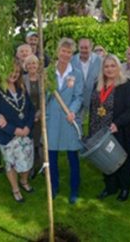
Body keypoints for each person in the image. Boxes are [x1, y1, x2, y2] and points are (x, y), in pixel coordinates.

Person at [90, 55, 130, 202]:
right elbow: (93, 108)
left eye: (113, 66)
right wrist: (92, 130)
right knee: (105, 160)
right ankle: (110, 187)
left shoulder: (127, 85)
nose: (109, 69)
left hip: (119, 129)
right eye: (106, 66)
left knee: (122, 160)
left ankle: (124, 188)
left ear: (118, 67)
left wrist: (117, 123)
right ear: (102, 69)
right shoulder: (97, 85)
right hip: (101, 130)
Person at [0, 60, 35, 203]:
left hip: (25, 132)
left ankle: (24, 181)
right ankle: (15, 188)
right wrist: (14, 130)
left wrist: (27, 127)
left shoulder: (21, 88)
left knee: (27, 161)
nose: (14, 74)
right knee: (11, 163)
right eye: (11, 71)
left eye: (17, 72)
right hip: (7, 136)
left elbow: (31, 110)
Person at [46, 38, 83, 204]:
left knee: (72, 156)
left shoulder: (76, 73)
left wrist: (73, 111)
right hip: (52, 119)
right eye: (63, 51)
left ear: (72, 54)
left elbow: (79, 96)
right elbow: (44, 95)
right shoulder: (47, 73)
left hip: (69, 119)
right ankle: (54, 187)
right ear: (58, 51)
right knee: (52, 156)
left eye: (69, 52)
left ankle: (74, 189)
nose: (65, 54)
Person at [23, 54, 43, 178]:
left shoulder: (43, 78)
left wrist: (40, 113)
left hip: (41, 115)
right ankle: (30, 168)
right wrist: (31, 116)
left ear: (38, 65)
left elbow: (47, 97)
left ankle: (42, 166)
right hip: (28, 115)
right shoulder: (23, 79)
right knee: (30, 143)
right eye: (29, 64)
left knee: (41, 142)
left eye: (34, 63)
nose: (32, 66)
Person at [71, 38, 102, 115]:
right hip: (76, 102)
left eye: (86, 48)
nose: (84, 50)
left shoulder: (99, 61)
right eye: (81, 48)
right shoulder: (72, 61)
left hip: (95, 101)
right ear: (78, 48)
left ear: (91, 47)